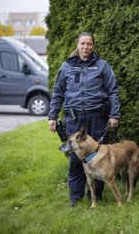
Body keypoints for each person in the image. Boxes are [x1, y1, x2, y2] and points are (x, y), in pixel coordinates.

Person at [48, 32, 121, 207]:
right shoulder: (66, 66)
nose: (86, 47)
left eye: (89, 44)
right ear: (78, 45)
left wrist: (114, 115)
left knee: (99, 158)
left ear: (93, 46)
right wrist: (52, 116)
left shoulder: (102, 65)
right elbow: (58, 93)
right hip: (74, 119)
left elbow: (113, 92)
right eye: (82, 44)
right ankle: (75, 197)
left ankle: (95, 196)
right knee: (75, 159)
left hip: (98, 117)